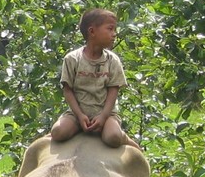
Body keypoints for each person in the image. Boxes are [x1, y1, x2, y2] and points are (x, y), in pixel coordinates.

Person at [50, 8, 140, 149]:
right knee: (58, 132)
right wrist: (79, 115)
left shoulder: (112, 60)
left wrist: (103, 117)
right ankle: (77, 126)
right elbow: (68, 90)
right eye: (110, 29)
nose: (114, 34)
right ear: (92, 32)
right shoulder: (72, 59)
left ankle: (124, 137)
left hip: (105, 114)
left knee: (113, 137)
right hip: (77, 114)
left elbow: (113, 91)